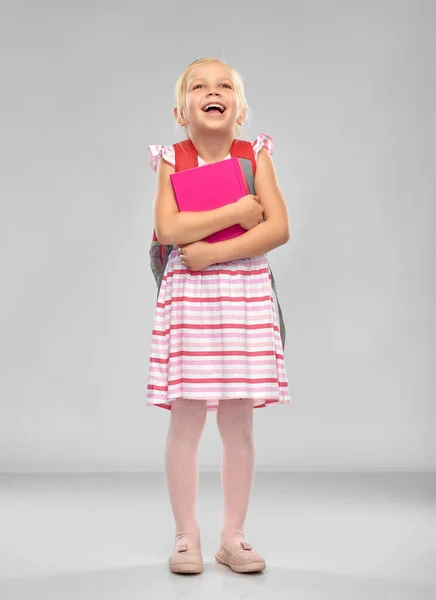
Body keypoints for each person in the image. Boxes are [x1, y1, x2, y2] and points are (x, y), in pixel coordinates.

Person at [147, 57, 291, 574]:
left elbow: (277, 229)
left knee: (238, 422)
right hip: (191, 300)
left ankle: (233, 536)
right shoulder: (172, 159)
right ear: (182, 110)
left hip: (245, 298)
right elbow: (166, 228)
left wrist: (214, 251)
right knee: (186, 420)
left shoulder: (256, 156)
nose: (215, 92)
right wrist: (234, 212)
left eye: (225, 85)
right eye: (200, 87)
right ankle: (187, 536)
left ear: (240, 107)